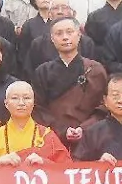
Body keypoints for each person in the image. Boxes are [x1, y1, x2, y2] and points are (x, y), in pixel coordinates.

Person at [31, 15, 109, 146]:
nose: (65, 37)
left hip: (91, 138)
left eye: (69, 32)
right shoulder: (43, 72)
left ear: (79, 35)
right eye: (59, 33)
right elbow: (38, 109)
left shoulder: (95, 69)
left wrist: (84, 128)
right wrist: (62, 130)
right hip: (53, 138)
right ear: (52, 39)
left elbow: (104, 106)